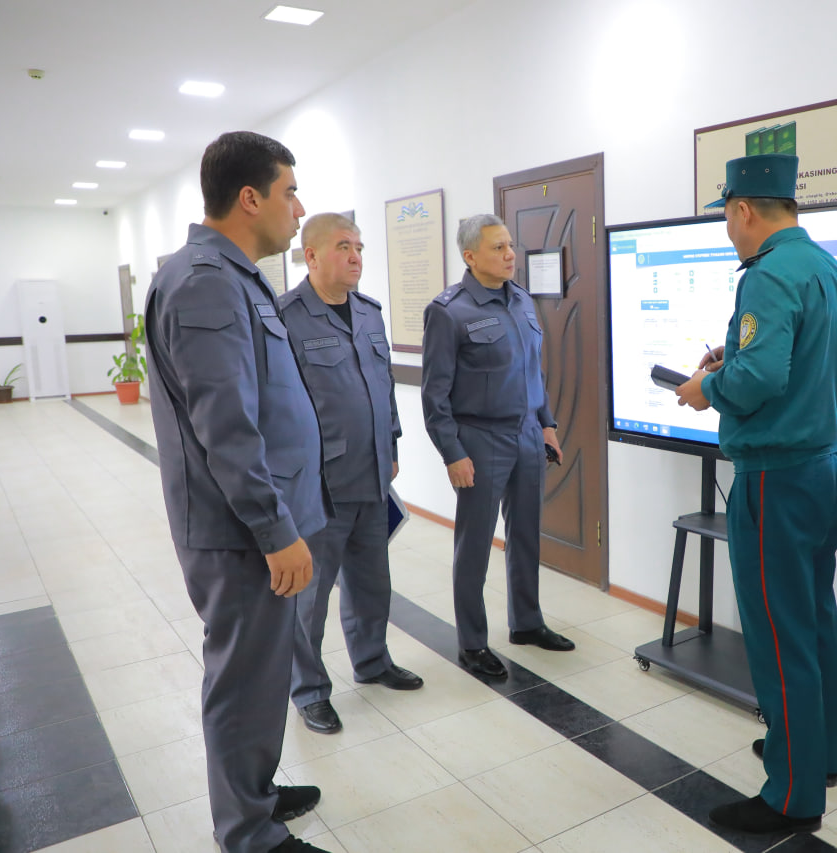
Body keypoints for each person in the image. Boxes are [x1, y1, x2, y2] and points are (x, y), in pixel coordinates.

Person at [144, 131, 331, 853]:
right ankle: (248, 832)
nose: (299, 208)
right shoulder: (205, 283)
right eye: (291, 192)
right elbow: (227, 428)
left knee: (262, 672)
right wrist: (276, 531)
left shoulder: (235, 276)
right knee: (244, 678)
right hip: (240, 532)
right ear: (250, 198)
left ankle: (255, 791)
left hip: (259, 521)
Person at [676, 153, 837, 835]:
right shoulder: (834, 273)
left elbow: (759, 380)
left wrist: (707, 387)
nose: (729, 231)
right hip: (828, 467)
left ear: (742, 210)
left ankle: (791, 796)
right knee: (813, 618)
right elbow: (803, 363)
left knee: (779, 636)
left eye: (727, 218)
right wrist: (734, 361)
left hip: (779, 478)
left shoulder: (767, 275)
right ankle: (818, 756)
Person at [278, 213, 423, 736]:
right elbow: (277, 406)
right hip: (319, 483)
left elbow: (383, 386)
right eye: (343, 246)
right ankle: (309, 690)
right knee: (311, 596)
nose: (356, 256)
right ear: (312, 255)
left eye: (359, 246)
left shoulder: (369, 313)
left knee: (371, 580)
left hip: (372, 472)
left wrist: (392, 443)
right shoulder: (285, 317)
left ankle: (372, 660)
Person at [420, 214, 574, 679]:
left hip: (527, 433)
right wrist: (452, 452)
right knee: (475, 544)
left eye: (510, 245)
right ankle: (472, 643)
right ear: (470, 256)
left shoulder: (521, 300)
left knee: (526, 535)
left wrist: (546, 424)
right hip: (479, 438)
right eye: (498, 248)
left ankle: (526, 623)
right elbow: (434, 394)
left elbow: (533, 373)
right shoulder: (449, 311)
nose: (510, 255)